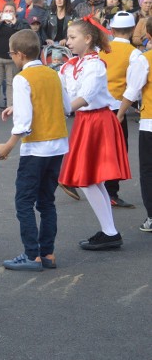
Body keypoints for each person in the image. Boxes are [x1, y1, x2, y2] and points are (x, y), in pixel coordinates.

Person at [0, 30, 70, 271]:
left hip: (35, 148)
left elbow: (25, 123)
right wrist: (18, 107)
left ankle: (31, 255)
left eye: (11, 53)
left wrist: (8, 145)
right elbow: (66, 106)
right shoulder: (53, 74)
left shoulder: (21, 79)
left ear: (18, 55)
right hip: (57, 146)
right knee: (47, 202)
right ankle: (48, 253)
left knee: (24, 202)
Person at [58, 18, 131, 250]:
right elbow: (54, 88)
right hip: (86, 121)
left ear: (88, 39)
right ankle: (110, 231)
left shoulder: (95, 65)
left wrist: (63, 109)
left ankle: (110, 232)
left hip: (98, 121)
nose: (67, 41)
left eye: (72, 37)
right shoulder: (70, 65)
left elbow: (86, 96)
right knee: (92, 180)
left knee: (88, 180)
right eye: (68, 37)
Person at [98, 10, 142, 208]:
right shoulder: (134, 53)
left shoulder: (101, 49)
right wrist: (123, 113)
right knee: (117, 151)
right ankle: (111, 192)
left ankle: (79, 179)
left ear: (112, 29)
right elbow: (134, 87)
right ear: (132, 30)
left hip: (98, 106)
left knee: (97, 149)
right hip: (117, 107)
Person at [116, 16, 152, 233]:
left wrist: (120, 113)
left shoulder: (145, 59)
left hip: (150, 123)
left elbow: (132, 90)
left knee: (148, 170)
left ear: (147, 35)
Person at [0, 3, 30, 114]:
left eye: (11, 11)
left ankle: (11, 106)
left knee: (11, 83)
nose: (8, 13)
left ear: (15, 13)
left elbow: (27, 34)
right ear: (2, 12)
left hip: (13, 59)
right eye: (6, 11)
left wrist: (15, 23)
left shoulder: (20, 23)